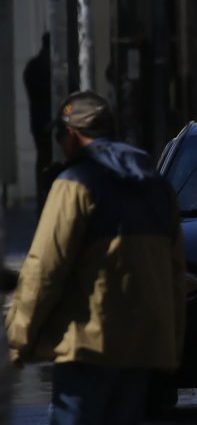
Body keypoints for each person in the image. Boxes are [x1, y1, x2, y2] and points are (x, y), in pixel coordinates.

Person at [5, 91, 186, 425]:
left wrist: (19, 338)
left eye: (60, 136)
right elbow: (175, 275)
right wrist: (171, 348)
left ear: (72, 135)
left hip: (88, 348)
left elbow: (45, 268)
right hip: (144, 351)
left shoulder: (75, 183)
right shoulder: (157, 187)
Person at [23, 32, 52, 213]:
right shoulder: (52, 66)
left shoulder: (32, 67)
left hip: (37, 121)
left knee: (42, 159)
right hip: (50, 121)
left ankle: (41, 200)